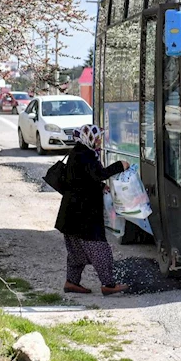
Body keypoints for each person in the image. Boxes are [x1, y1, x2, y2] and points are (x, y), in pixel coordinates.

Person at [54, 124, 130, 295]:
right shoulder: (85, 154)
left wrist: (100, 186)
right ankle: (108, 285)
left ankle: (72, 283)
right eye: (97, 138)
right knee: (100, 249)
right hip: (84, 215)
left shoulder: (78, 151)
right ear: (89, 138)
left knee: (76, 253)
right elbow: (97, 174)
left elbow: (82, 179)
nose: (99, 140)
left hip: (71, 214)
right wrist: (120, 165)